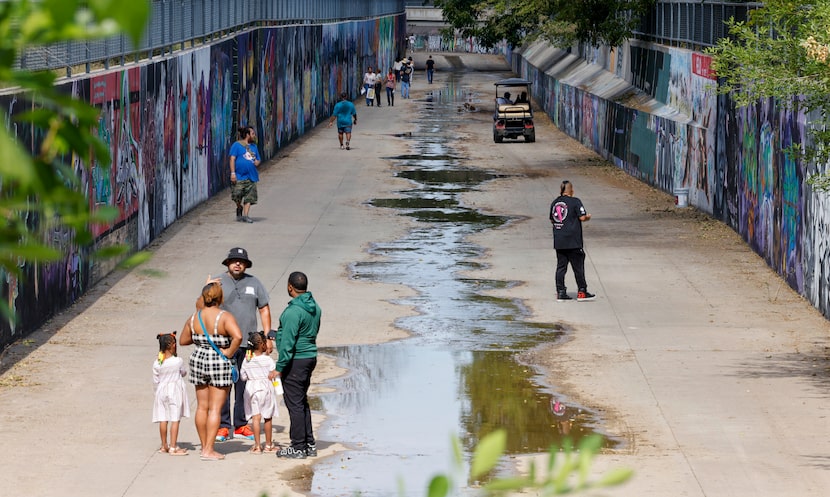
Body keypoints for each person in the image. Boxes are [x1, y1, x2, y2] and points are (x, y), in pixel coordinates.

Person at [179, 282, 243, 461]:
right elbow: (238, 336)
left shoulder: (194, 317)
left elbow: (183, 340)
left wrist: (200, 340)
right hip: (218, 360)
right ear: (220, 298)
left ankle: (203, 446)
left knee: (202, 407)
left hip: (199, 359)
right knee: (215, 408)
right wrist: (229, 352)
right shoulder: (224, 317)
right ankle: (209, 449)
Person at [216, 247, 272, 442]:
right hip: (224, 344)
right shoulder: (218, 282)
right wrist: (208, 288)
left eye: (241, 261)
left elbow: (264, 309)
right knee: (223, 385)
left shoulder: (254, 283)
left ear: (246, 264)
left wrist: (268, 336)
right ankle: (223, 426)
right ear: (228, 264)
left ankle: (240, 425)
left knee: (244, 386)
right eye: (234, 261)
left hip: (248, 345)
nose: (237, 263)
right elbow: (203, 307)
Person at [271, 271, 321, 459]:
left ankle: (298, 446)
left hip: (296, 361)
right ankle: (309, 443)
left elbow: (289, 344)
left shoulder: (293, 311)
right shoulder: (314, 306)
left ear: (289, 286)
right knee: (301, 401)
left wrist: (279, 367)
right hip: (309, 356)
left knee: (295, 405)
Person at [549, 180, 596, 302]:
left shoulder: (555, 203)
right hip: (573, 241)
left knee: (561, 267)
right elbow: (582, 217)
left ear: (561, 190)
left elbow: (552, 220)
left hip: (559, 240)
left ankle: (560, 292)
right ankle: (582, 291)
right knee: (578, 267)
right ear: (572, 190)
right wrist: (588, 217)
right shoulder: (575, 201)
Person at [240, 331, 279, 454]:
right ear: (263, 344)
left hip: (252, 388)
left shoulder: (247, 360)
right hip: (265, 388)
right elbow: (274, 374)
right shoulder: (268, 360)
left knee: (255, 418)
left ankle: (257, 446)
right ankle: (268, 445)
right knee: (267, 417)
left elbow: (243, 377)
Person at [152, 332, 189, 456]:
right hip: (174, 390)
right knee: (175, 419)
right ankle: (173, 447)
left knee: (163, 418)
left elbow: (156, 380)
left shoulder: (157, 363)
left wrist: (156, 392)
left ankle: (164, 445)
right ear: (172, 345)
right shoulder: (177, 361)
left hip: (161, 391)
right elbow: (183, 372)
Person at [229, 126, 261, 223]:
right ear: (247, 135)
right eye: (252, 134)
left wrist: (257, 162)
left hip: (251, 176)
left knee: (249, 197)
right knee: (236, 195)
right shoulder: (236, 145)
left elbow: (258, 159)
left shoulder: (254, 147)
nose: (254, 136)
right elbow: (232, 159)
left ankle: (246, 215)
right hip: (239, 176)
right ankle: (239, 207)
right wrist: (233, 173)